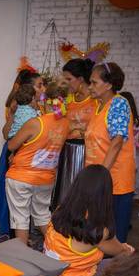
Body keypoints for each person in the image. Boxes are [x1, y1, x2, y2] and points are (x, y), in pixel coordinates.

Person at [44, 165, 133, 276]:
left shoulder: (60, 211)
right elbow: (120, 251)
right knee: (129, 267)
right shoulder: (96, 230)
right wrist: (128, 250)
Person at [5, 82, 69, 245]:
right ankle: (60, 247)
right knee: (43, 216)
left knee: (20, 218)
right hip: (46, 179)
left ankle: (22, 255)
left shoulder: (36, 123)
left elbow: (11, 145)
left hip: (21, 176)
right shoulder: (65, 123)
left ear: (44, 100)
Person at [0, 70, 44, 237]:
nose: (43, 89)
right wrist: (14, 115)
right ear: (29, 89)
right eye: (39, 85)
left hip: (30, 155)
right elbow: (6, 134)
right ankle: (5, 229)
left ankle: (22, 232)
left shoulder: (40, 106)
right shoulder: (19, 106)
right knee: (10, 191)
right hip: (16, 151)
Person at [85, 62, 135, 243]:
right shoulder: (99, 105)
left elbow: (117, 142)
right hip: (98, 178)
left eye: (94, 82)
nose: (90, 87)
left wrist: (101, 175)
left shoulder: (118, 104)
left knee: (113, 236)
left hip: (114, 180)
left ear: (109, 84)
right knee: (97, 231)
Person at [53, 59, 96, 208]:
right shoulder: (68, 98)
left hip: (87, 152)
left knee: (81, 193)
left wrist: (82, 132)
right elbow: (59, 121)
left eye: (69, 79)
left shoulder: (95, 100)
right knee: (65, 192)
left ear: (81, 79)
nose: (66, 83)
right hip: (66, 150)